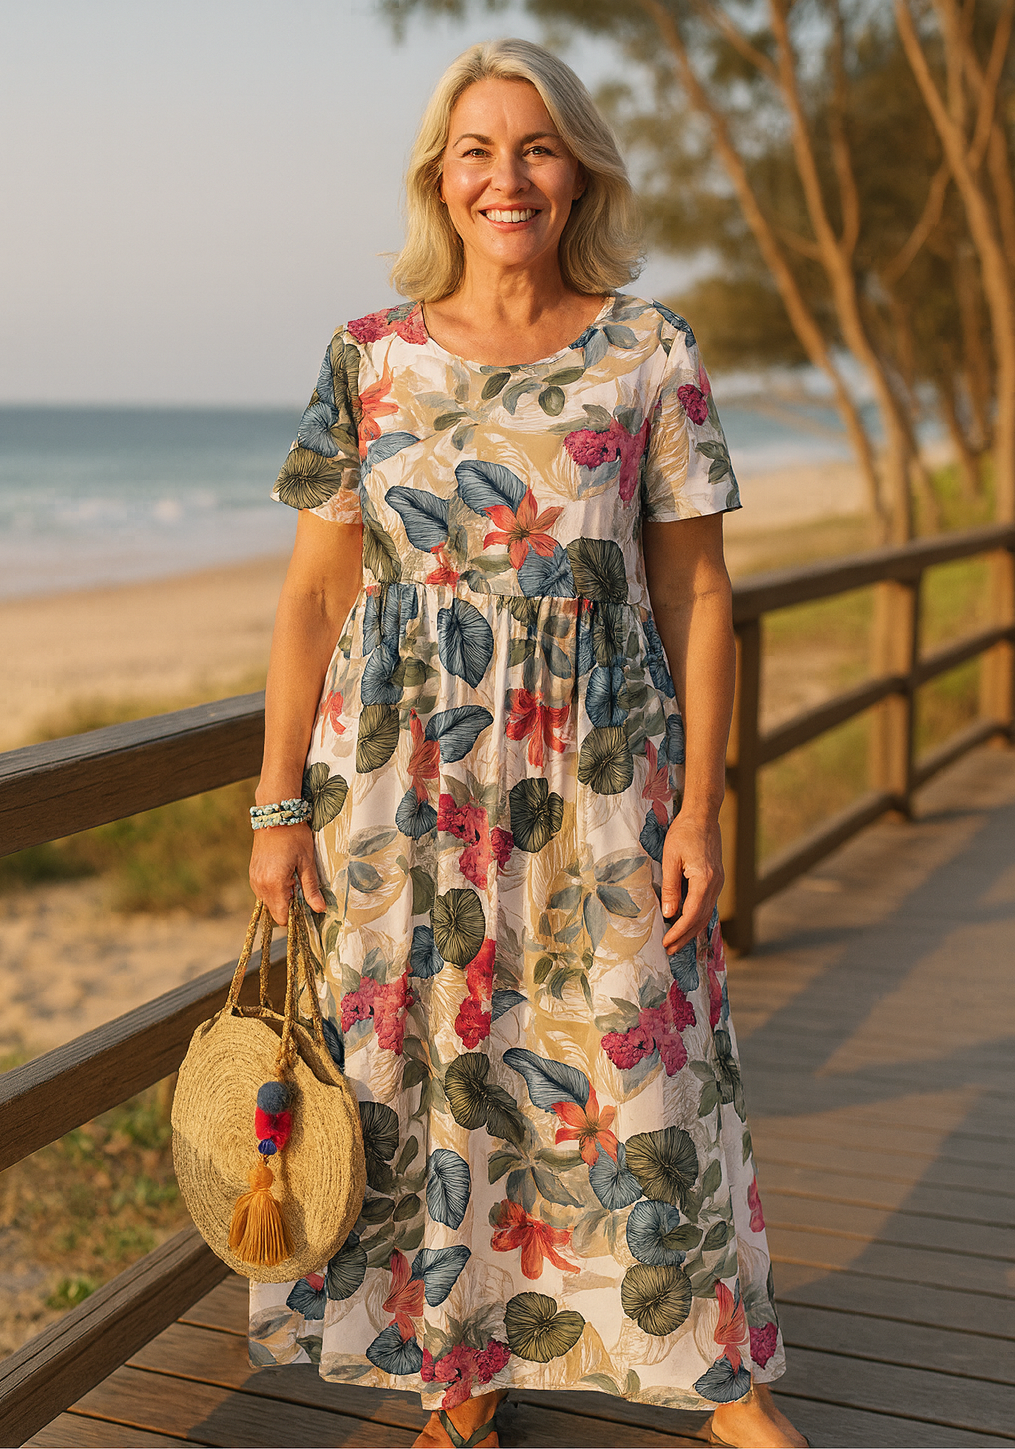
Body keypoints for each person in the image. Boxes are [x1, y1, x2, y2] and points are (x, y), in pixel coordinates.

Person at [248, 37, 807, 1449]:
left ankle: (722, 1382)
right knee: (434, 1067)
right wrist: (275, 808)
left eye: (537, 147)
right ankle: (464, 1375)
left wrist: (700, 811)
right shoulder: (364, 357)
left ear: (578, 176)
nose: (508, 175)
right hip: (399, 784)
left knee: (641, 1064)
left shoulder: (648, 348)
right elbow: (316, 591)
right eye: (479, 148)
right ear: (443, 176)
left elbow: (699, 587)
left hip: (603, 774)